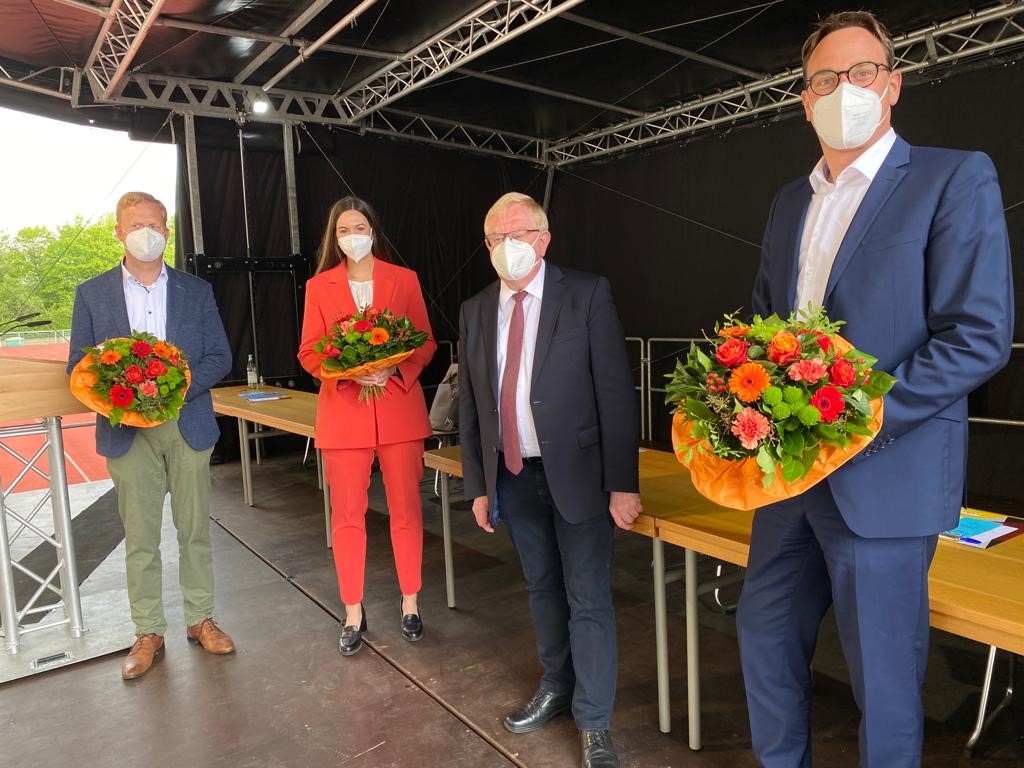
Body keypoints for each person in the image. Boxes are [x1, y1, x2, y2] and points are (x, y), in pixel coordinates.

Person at [738, 11, 1014, 767]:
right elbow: (768, 324)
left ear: (892, 86)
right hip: (789, 479)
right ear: (803, 100)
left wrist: (866, 414)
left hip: (884, 475)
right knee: (764, 641)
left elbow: (979, 333)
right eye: (825, 80)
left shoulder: (951, 178)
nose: (843, 91)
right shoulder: (790, 202)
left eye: (861, 74)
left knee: (885, 685)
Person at [458, 192, 642, 768]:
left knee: (588, 599)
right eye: (494, 238)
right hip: (512, 475)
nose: (506, 246)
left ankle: (593, 722)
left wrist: (623, 481)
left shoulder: (586, 293)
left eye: (517, 234)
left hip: (582, 477)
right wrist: (478, 485)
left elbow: (615, 391)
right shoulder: (476, 308)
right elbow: (471, 405)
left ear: (543, 238)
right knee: (541, 589)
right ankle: (556, 687)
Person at [68, 191, 235, 680]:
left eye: (156, 224)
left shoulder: (195, 291)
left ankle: (201, 619)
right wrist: (125, 398)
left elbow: (219, 357)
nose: (147, 231)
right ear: (118, 232)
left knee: (194, 530)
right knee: (140, 537)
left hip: (186, 422)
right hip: (126, 432)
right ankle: (148, 630)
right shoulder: (91, 294)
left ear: (167, 231)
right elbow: (79, 367)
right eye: (136, 224)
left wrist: (173, 391)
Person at [298, 195, 436, 656]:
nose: (351, 236)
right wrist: (348, 371)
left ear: (373, 231)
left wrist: (393, 370)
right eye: (342, 230)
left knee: (406, 511)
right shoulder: (319, 287)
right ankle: (353, 610)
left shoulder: (405, 280)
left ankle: (411, 603)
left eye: (359, 228)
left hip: (399, 410)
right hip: (343, 414)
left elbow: (425, 341)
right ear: (333, 238)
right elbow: (310, 352)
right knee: (347, 516)